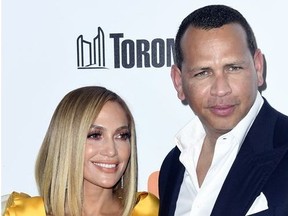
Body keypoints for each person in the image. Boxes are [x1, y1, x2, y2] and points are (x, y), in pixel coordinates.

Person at [159, 4, 288, 216]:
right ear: (179, 82)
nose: (221, 90)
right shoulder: (173, 165)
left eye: (233, 68)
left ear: (257, 67)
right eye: (203, 73)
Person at [3, 86, 159, 216]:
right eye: (95, 135)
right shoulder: (23, 213)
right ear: (68, 141)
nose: (111, 151)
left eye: (121, 135)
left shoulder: (149, 212)